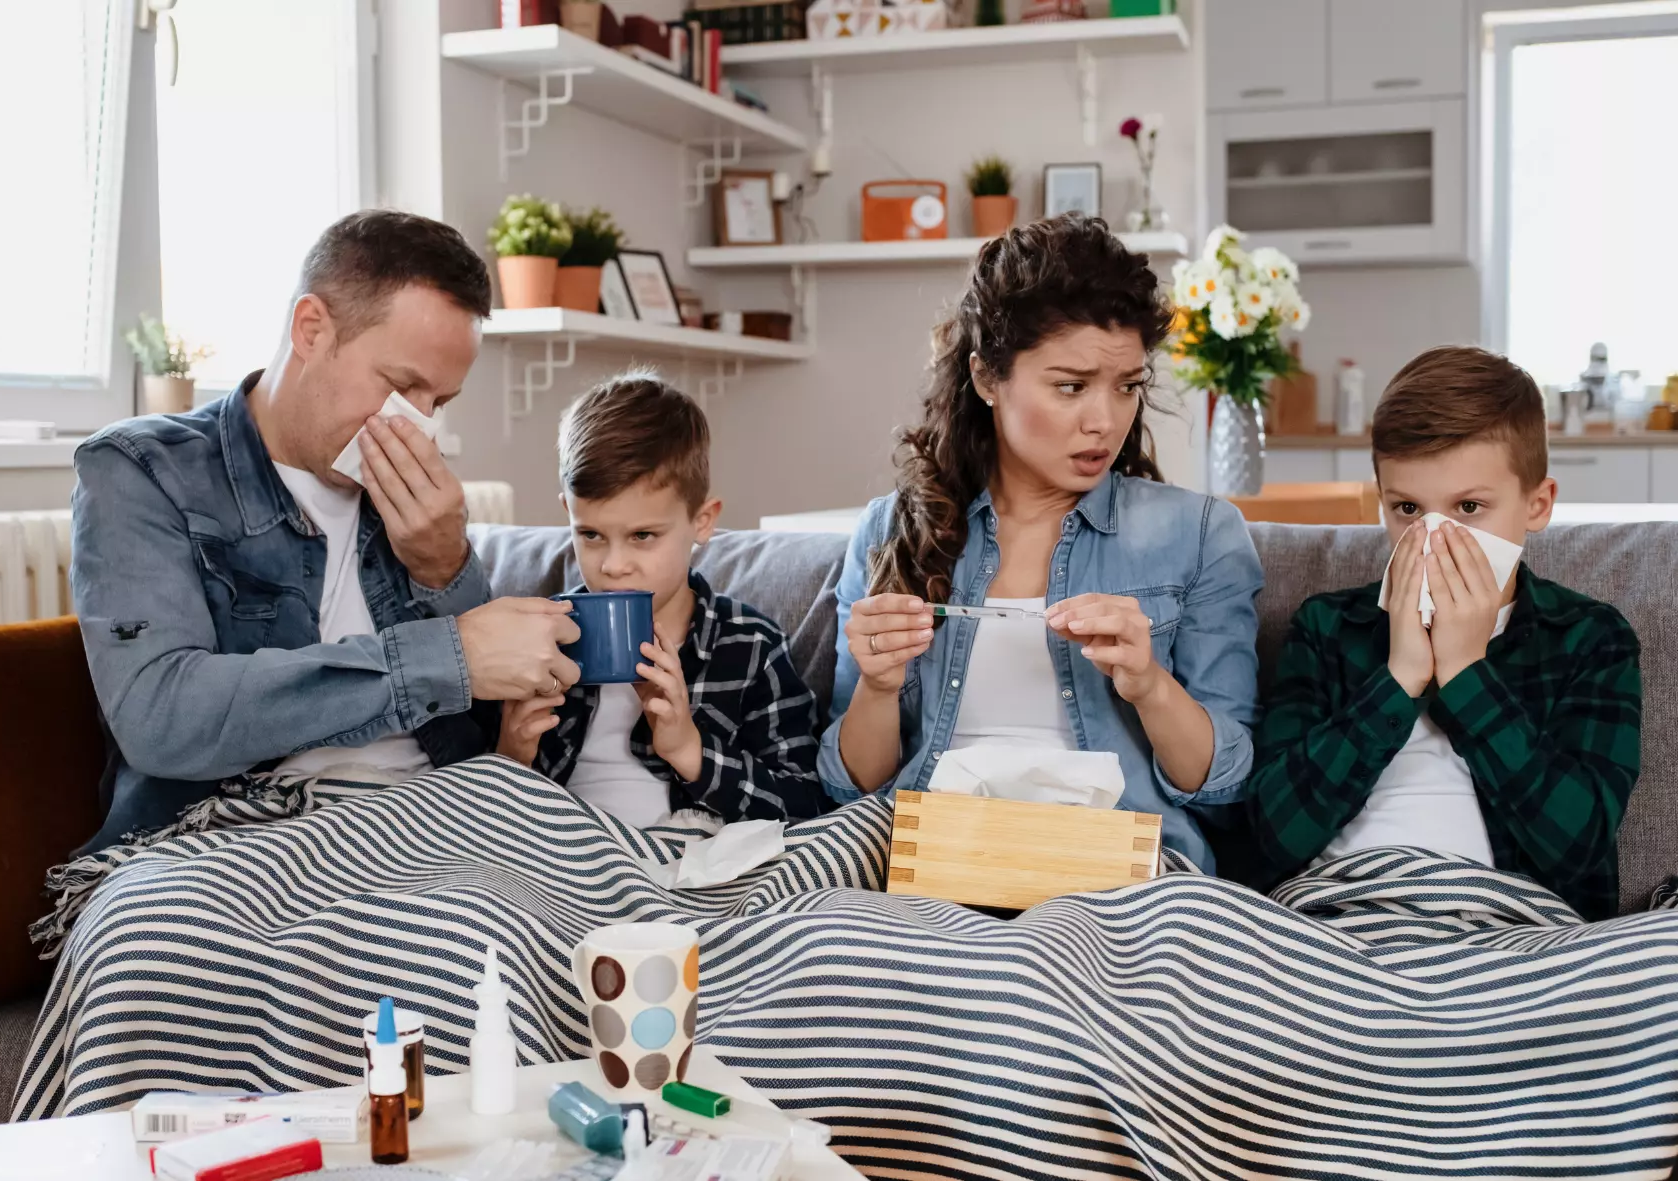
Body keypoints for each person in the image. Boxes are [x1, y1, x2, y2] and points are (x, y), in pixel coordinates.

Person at [69, 210, 582, 854]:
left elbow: (486, 725)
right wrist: (440, 656)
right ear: (311, 328)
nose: (419, 427)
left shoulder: (414, 495)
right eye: (401, 386)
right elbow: (163, 718)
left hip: (434, 830)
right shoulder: (144, 471)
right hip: (232, 843)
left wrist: (445, 567)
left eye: (440, 404)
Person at [818, 215, 1265, 871]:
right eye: (1070, 386)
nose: (1105, 420)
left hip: (1116, 869)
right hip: (930, 860)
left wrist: (1150, 686)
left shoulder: (1200, 536)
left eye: (1127, 387)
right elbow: (847, 787)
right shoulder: (890, 531)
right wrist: (879, 689)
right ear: (987, 378)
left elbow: (1227, 788)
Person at [1243, 346, 1641, 920]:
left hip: (1513, 931)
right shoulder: (1328, 628)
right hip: (1336, 922)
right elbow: (1275, 833)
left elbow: (1576, 847)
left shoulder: (1589, 638)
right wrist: (1401, 678)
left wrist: (1465, 675)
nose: (1433, 537)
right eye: (1407, 508)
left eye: (1469, 507)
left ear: (1537, 504)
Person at [496, 374, 826, 827]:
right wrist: (511, 755)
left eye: (642, 536)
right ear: (567, 516)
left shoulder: (749, 648)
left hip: (687, 863)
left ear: (702, 522)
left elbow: (808, 805)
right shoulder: (538, 639)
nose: (613, 565)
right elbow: (488, 813)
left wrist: (690, 751)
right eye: (590, 534)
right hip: (561, 858)